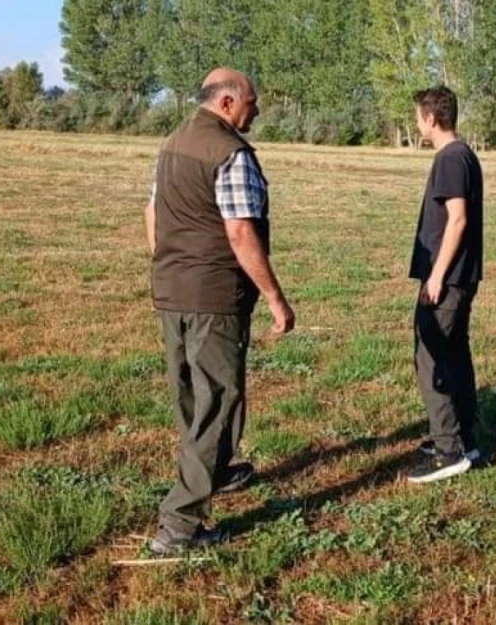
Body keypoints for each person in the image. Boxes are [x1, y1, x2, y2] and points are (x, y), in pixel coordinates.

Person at [143, 68, 295, 555]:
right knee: (220, 401)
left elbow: (152, 212)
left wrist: (169, 263)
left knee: (191, 393)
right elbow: (240, 232)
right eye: (253, 101)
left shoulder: (172, 143)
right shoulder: (231, 152)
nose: (258, 110)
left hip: (172, 289)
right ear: (228, 102)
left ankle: (217, 471)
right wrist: (275, 297)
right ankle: (180, 525)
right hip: (214, 296)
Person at [406, 86, 485, 484]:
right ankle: (464, 438)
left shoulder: (450, 159)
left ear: (431, 119)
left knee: (432, 359)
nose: (417, 124)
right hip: (459, 278)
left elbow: (457, 219)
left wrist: (436, 275)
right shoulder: (464, 155)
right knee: (454, 357)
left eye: (418, 117)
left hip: (448, 280)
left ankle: (448, 450)